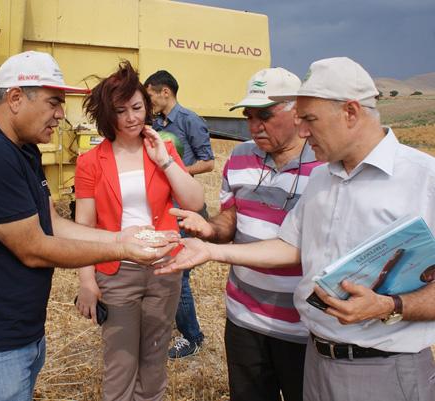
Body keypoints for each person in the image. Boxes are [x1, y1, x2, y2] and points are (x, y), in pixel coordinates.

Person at [157, 57, 435, 401]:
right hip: (317, 359)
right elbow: (289, 246)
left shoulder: (424, 178)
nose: (303, 131)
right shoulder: (323, 177)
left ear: (350, 112)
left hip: (384, 368)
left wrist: (390, 305)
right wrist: (212, 249)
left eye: (310, 120)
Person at [0, 51, 176, 401]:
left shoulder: (22, 150)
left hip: (17, 335)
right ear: (15, 98)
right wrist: (120, 248)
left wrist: (121, 236)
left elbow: (53, 223)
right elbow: (33, 248)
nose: (61, 113)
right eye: (53, 103)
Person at [171, 67, 322, 401]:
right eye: (249, 116)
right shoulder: (240, 158)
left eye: (265, 115)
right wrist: (210, 229)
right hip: (243, 319)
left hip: (303, 328)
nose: (254, 126)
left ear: (297, 110)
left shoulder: (326, 165)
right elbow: (232, 217)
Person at [74, 61, 204, 401]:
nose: (132, 117)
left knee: (154, 360)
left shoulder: (163, 149)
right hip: (117, 271)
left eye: (137, 107)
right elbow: (84, 227)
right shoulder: (90, 162)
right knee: (120, 362)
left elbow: (194, 201)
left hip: (163, 267)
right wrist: (87, 281)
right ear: (107, 115)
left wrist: (164, 159)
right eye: (121, 110)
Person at [144, 70, 215, 358]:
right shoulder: (155, 123)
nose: (148, 102)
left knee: (179, 275)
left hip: (184, 209)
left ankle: (192, 337)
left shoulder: (190, 120)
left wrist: (175, 170)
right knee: (165, 272)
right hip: (162, 208)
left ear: (165, 93)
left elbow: (208, 162)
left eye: (150, 96)